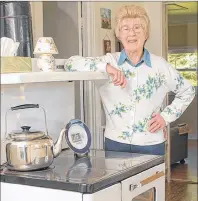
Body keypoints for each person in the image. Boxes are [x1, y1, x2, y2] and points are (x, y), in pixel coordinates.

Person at [65, 5, 195, 155]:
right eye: (125, 28)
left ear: (146, 33)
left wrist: (165, 118)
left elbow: (188, 90)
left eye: (137, 27)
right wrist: (106, 67)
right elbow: (70, 64)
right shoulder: (109, 61)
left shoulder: (160, 65)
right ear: (118, 34)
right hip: (115, 144)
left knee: (151, 179)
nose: (132, 33)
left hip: (151, 143)